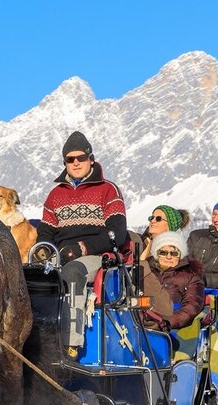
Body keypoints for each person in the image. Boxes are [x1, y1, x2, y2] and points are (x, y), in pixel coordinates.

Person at [35, 131, 128, 356]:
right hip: (61, 253)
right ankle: (36, 340)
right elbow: (46, 231)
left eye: (81, 158)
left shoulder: (108, 190)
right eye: (70, 159)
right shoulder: (55, 195)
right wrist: (44, 249)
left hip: (97, 255)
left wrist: (81, 248)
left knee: (72, 271)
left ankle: (71, 344)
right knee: (34, 276)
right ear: (64, 163)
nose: (76, 163)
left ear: (91, 159)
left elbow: (117, 233)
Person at [143, 231, 205, 330]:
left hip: (171, 327)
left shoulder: (191, 276)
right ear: (156, 255)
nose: (168, 257)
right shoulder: (146, 271)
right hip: (141, 322)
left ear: (180, 256)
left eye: (174, 253)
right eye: (163, 253)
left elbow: (191, 307)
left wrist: (168, 322)